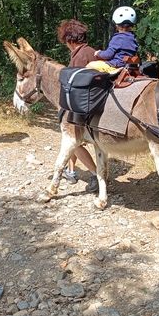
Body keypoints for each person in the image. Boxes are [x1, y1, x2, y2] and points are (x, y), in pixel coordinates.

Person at [56, 19, 100, 193]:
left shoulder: (80, 56)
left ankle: (96, 173)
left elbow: (75, 86)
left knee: (73, 140)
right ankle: (71, 170)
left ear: (70, 40)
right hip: (95, 103)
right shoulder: (90, 51)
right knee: (70, 137)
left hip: (85, 108)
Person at [87, 6, 139, 73]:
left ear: (116, 26)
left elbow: (108, 55)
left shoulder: (118, 38)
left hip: (116, 65)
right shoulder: (133, 37)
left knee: (90, 65)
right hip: (128, 65)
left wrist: (98, 53)